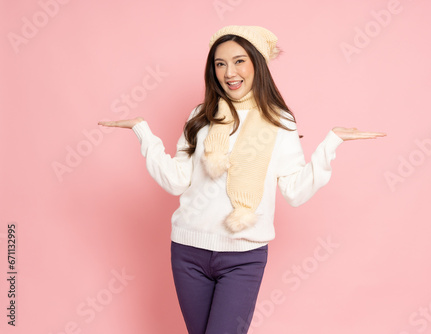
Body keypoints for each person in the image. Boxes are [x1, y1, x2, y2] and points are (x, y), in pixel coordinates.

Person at [98, 25, 385, 334]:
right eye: (219, 64)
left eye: (239, 61)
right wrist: (144, 133)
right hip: (187, 251)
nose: (228, 72)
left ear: (256, 64)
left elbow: (295, 191)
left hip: (243, 257)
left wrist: (331, 143)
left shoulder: (279, 121)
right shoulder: (200, 116)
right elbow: (176, 181)